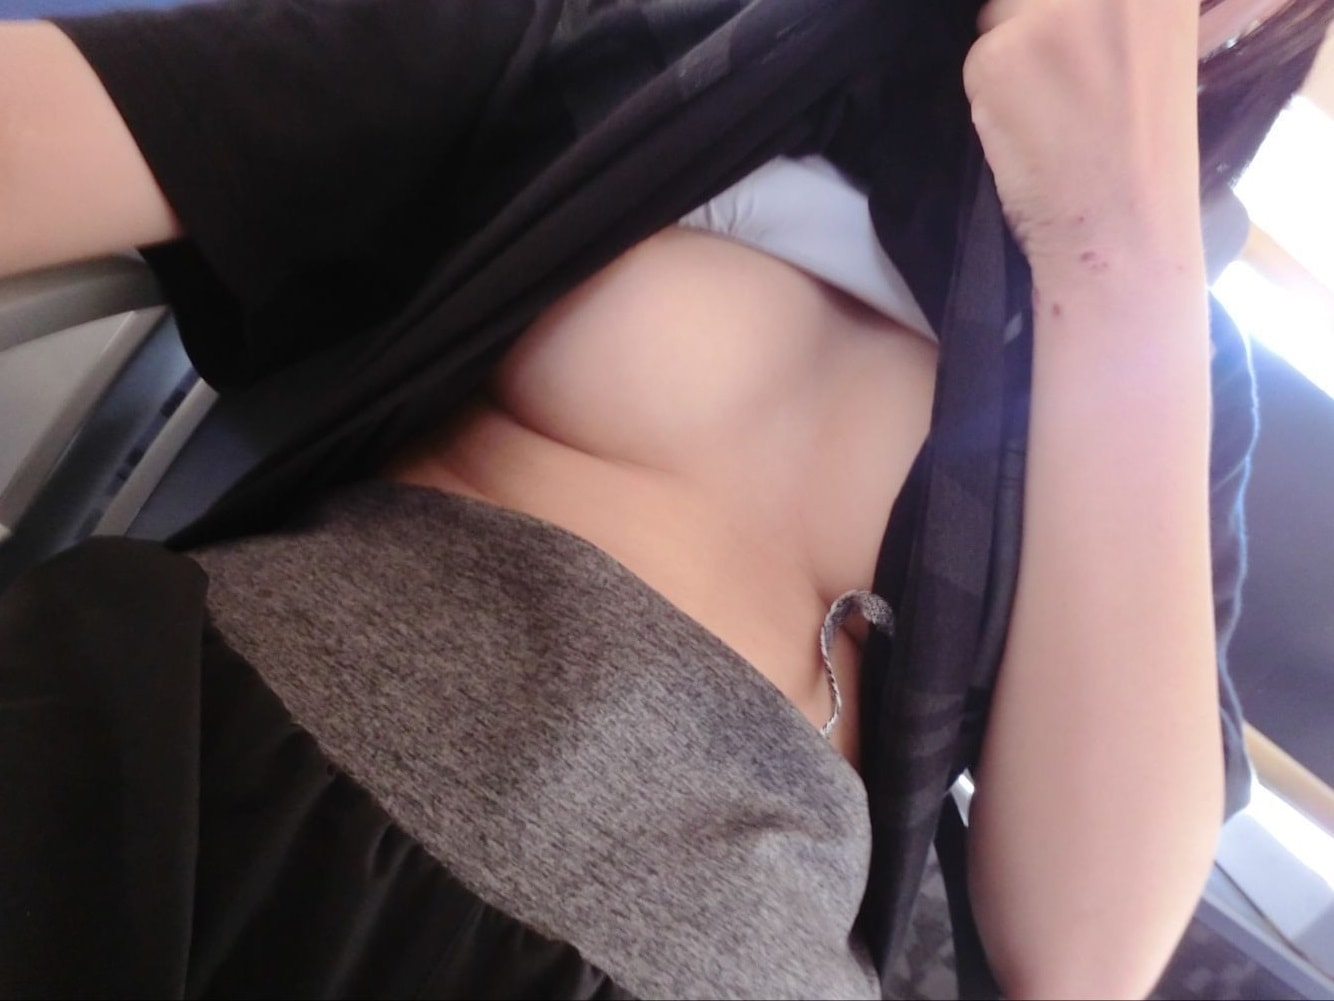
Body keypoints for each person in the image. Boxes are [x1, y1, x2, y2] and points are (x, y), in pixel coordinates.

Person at [1, 0, 1331, 998]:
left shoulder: (1173, 377)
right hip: (227, 784)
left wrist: (1119, 249)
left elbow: (1082, 952)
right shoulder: (653, 29)